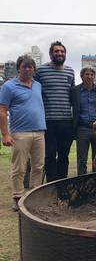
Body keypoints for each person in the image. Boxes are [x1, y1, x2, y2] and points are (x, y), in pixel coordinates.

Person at [0, 55, 46, 211]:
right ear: (18, 68)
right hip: (20, 133)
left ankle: (34, 196)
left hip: (39, 131)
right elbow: (2, 110)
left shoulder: (38, 85)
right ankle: (17, 197)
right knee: (19, 168)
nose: (27, 69)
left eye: (30, 67)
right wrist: (5, 134)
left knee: (38, 167)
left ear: (34, 69)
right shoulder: (9, 86)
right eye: (24, 66)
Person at [34, 41, 74, 182]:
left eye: (62, 51)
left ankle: (62, 183)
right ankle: (51, 185)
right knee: (49, 156)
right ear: (51, 53)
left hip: (66, 121)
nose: (59, 54)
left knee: (64, 155)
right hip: (48, 122)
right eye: (56, 51)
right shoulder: (40, 71)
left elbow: (72, 95)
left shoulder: (70, 71)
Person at [70, 67, 96, 175]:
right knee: (81, 159)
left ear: (94, 76)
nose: (89, 77)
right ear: (82, 76)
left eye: (91, 75)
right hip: (82, 129)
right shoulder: (75, 91)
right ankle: (82, 183)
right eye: (87, 74)